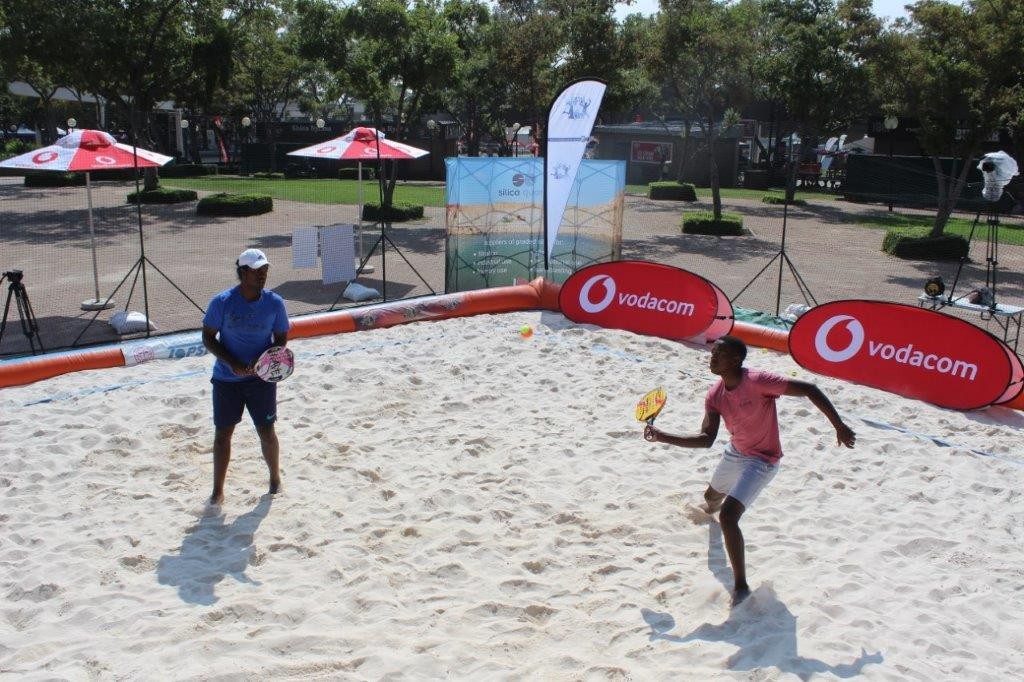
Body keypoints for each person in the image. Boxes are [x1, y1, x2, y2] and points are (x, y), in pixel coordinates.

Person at [644, 336, 856, 605]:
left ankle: (741, 586)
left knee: (730, 517)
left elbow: (810, 389)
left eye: (719, 354)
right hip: (736, 452)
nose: (712, 357)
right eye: (713, 353)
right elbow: (706, 439)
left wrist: (838, 425)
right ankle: (711, 514)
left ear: (736, 360)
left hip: (763, 460)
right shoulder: (714, 395)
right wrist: (663, 437)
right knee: (711, 499)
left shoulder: (758, 381)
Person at [201, 248, 290, 507]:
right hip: (226, 380)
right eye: (256, 270)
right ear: (242, 272)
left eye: (265, 270)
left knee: (266, 431)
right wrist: (233, 363)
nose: (262, 274)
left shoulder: (275, 302)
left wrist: (262, 362)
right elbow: (208, 337)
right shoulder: (222, 302)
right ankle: (217, 491)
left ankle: (274, 479)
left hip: (261, 379)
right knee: (222, 434)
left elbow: (281, 339)